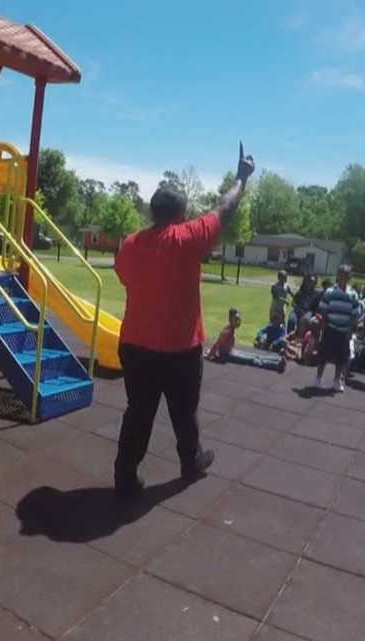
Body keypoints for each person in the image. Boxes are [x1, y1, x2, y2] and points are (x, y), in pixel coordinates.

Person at [112, 143, 255, 498]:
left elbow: (126, 278)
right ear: (181, 213)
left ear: (153, 212)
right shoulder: (189, 238)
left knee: (138, 412)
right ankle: (190, 462)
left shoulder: (129, 244)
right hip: (179, 349)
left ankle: (124, 475)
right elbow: (225, 206)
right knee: (184, 411)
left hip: (135, 346)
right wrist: (241, 177)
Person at [312, 265, 362, 392]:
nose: (342, 277)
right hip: (330, 328)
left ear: (349, 277)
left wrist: (351, 330)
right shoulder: (329, 292)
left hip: (344, 331)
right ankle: (318, 377)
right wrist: (323, 325)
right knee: (323, 354)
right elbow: (323, 310)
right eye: (340, 274)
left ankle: (336, 380)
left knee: (342, 357)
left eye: (345, 275)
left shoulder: (353, 295)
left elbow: (355, 314)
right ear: (337, 276)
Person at [206, 308, 287, 373]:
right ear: (230, 320)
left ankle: (277, 359)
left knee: (255, 356)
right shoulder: (227, 331)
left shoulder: (231, 329)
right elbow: (217, 343)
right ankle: (276, 365)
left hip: (231, 351)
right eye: (236, 320)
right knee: (253, 360)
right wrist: (209, 355)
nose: (238, 322)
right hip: (227, 354)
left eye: (239, 320)